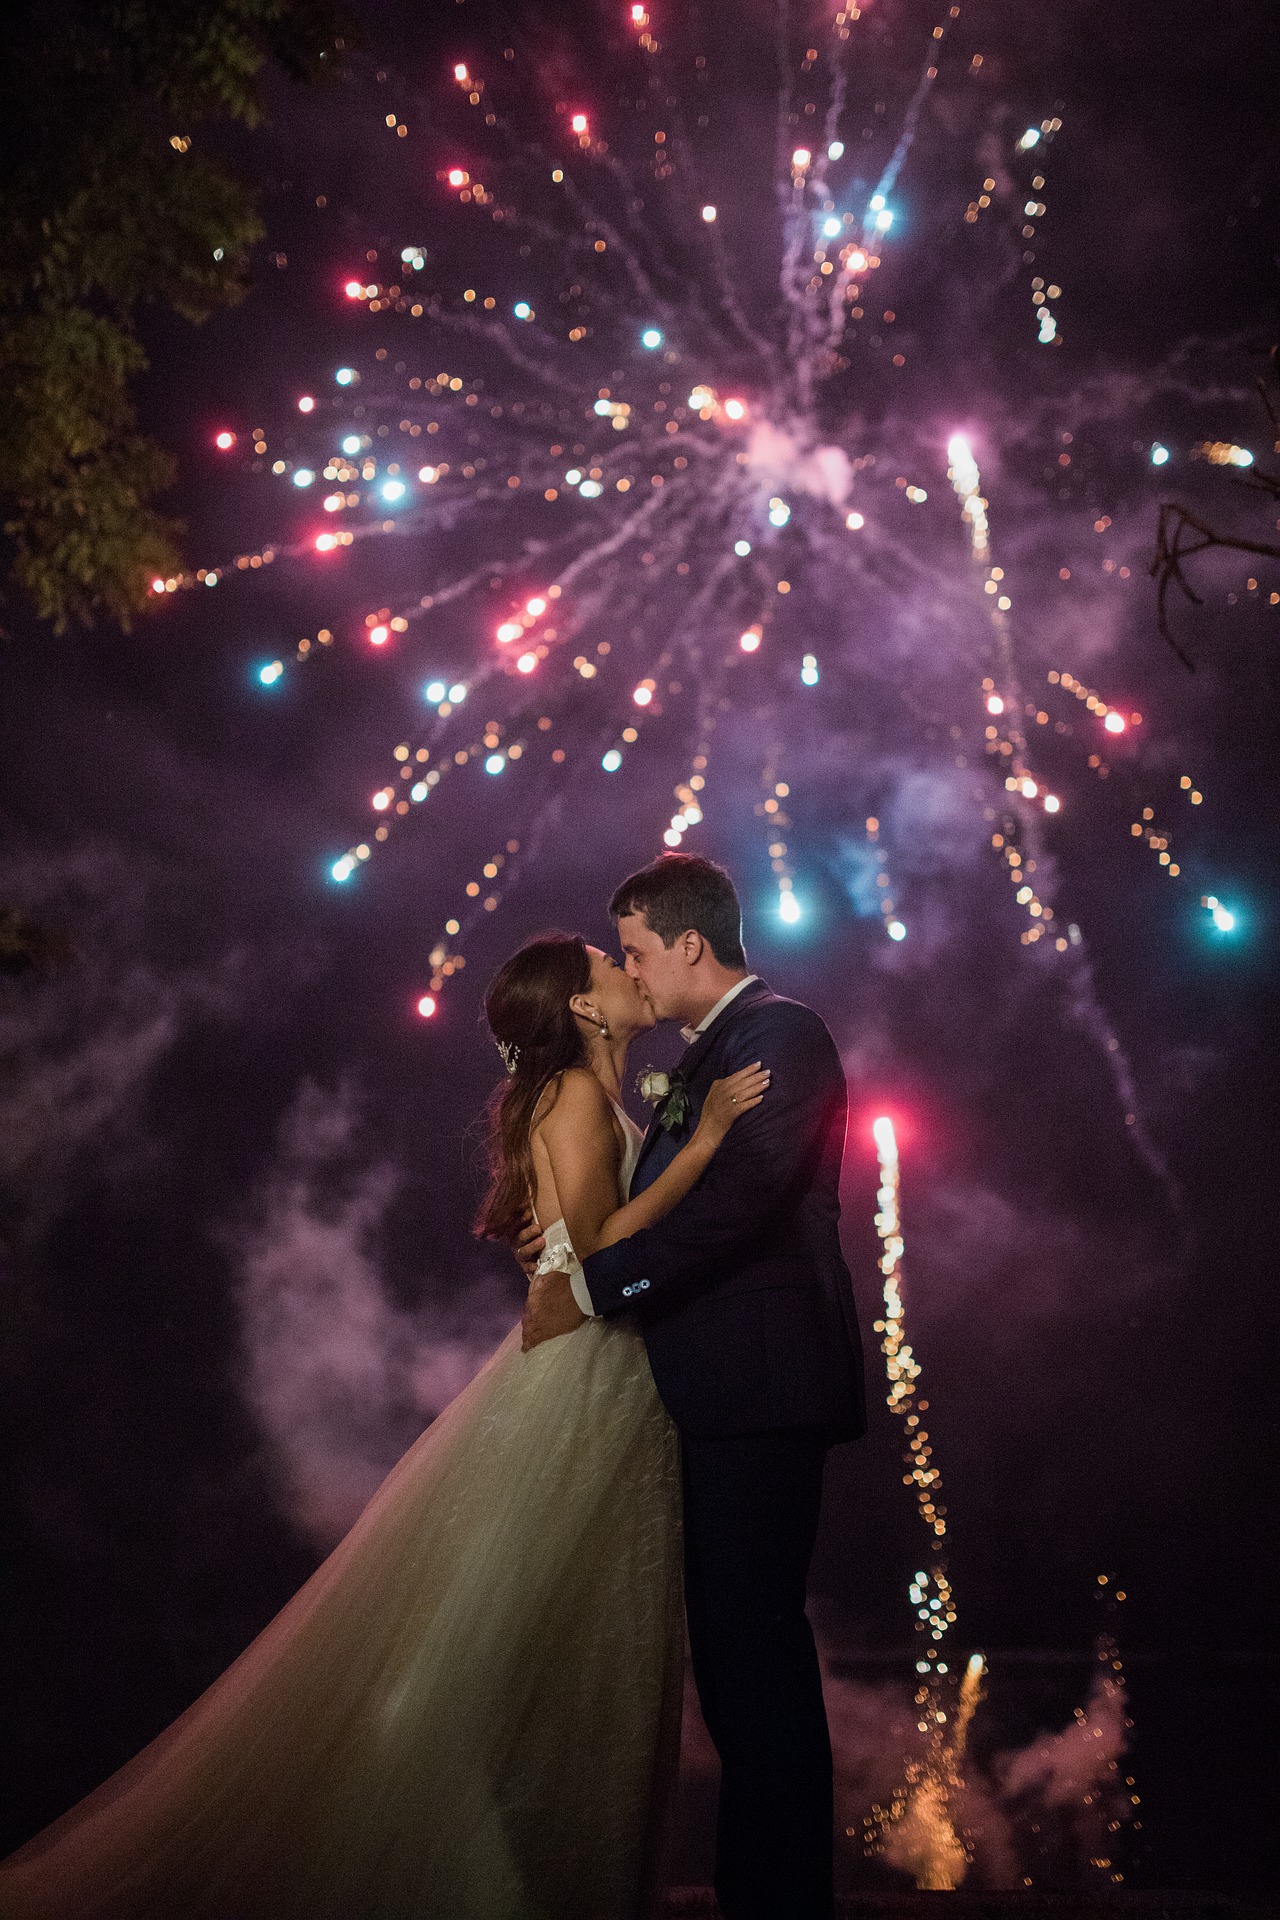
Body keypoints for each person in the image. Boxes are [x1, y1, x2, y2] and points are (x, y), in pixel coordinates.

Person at [0, 931, 766, 1920]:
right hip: (583, 1378)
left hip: (604, 1376)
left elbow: (575, 1247)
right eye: (607, 965)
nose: (627, 971)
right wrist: (701, 1144)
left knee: (576, 1637)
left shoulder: (590, 1098)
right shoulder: (577, 1097)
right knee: (511, 1640)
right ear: (580, 1007)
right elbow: (596, 1252)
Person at [521, 856, 868, 1920]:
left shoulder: (779, 1037)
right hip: (723, 1391)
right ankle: (760, 1893)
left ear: (686, 946)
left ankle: (778, 1901)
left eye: (632, 950)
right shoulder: (714, 1055)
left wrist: (597, 1280)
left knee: (752, 1652)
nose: (628, 970)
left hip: (761, 1387)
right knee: (733, 1659)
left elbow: (743, 1204)